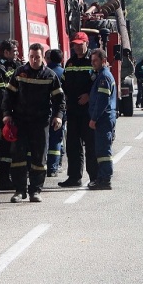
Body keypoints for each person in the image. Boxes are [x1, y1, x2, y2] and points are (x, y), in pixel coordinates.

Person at [2, 43, 65, 202]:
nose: (34, 60)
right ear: (28, 56)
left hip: (40, 122)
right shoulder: (20, 73)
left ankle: (35, 191)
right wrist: (7, 115)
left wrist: (58, 116)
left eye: (37, 57)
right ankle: (19, 191)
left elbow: (60, 99)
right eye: (31, 57)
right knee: (18, 157)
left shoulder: (50, 76)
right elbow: (8, 96)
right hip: (20, 121)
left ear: (43, 57)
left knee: (39, 158)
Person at [60, 32, 96, 188]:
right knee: (73, 146)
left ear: (86, 44)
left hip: (88, 111)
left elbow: (99, 83)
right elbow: (63, 84)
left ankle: (95, 177)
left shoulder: (93, 61)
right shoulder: (70, 63)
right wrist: (65, 99)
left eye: (80, 44)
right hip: (73, 111)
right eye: (75, 44)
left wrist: (89, 95)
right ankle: (74, 177)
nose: (77, 47)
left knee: (91, 146)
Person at [0, 40, 19, 190]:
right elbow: (1, 94)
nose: (16, 54)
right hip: (4, 114)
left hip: (10, 113)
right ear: (6, 52)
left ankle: (8, 177)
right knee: (6, 146)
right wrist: (8, 113)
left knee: (10, 146)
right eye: (14, 51)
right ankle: (3, 179)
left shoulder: (9, 65)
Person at [87, 48, 116, 189]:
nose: (93, 63)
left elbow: (103, 101)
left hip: (103, 119)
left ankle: (105, 180)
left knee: (103, 151)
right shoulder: (101, 75)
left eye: (96, 60)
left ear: (103, 61)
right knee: (101, 150)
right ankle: (102, 178)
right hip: (104, 119)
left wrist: (94, 118)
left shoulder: (104, 77)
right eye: (92, 61)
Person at [45, 48, 66, 177]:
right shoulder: (63, 73)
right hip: (58, 112)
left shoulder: (44, 72)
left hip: (44, 110)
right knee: (56, 139)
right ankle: (53, 168)